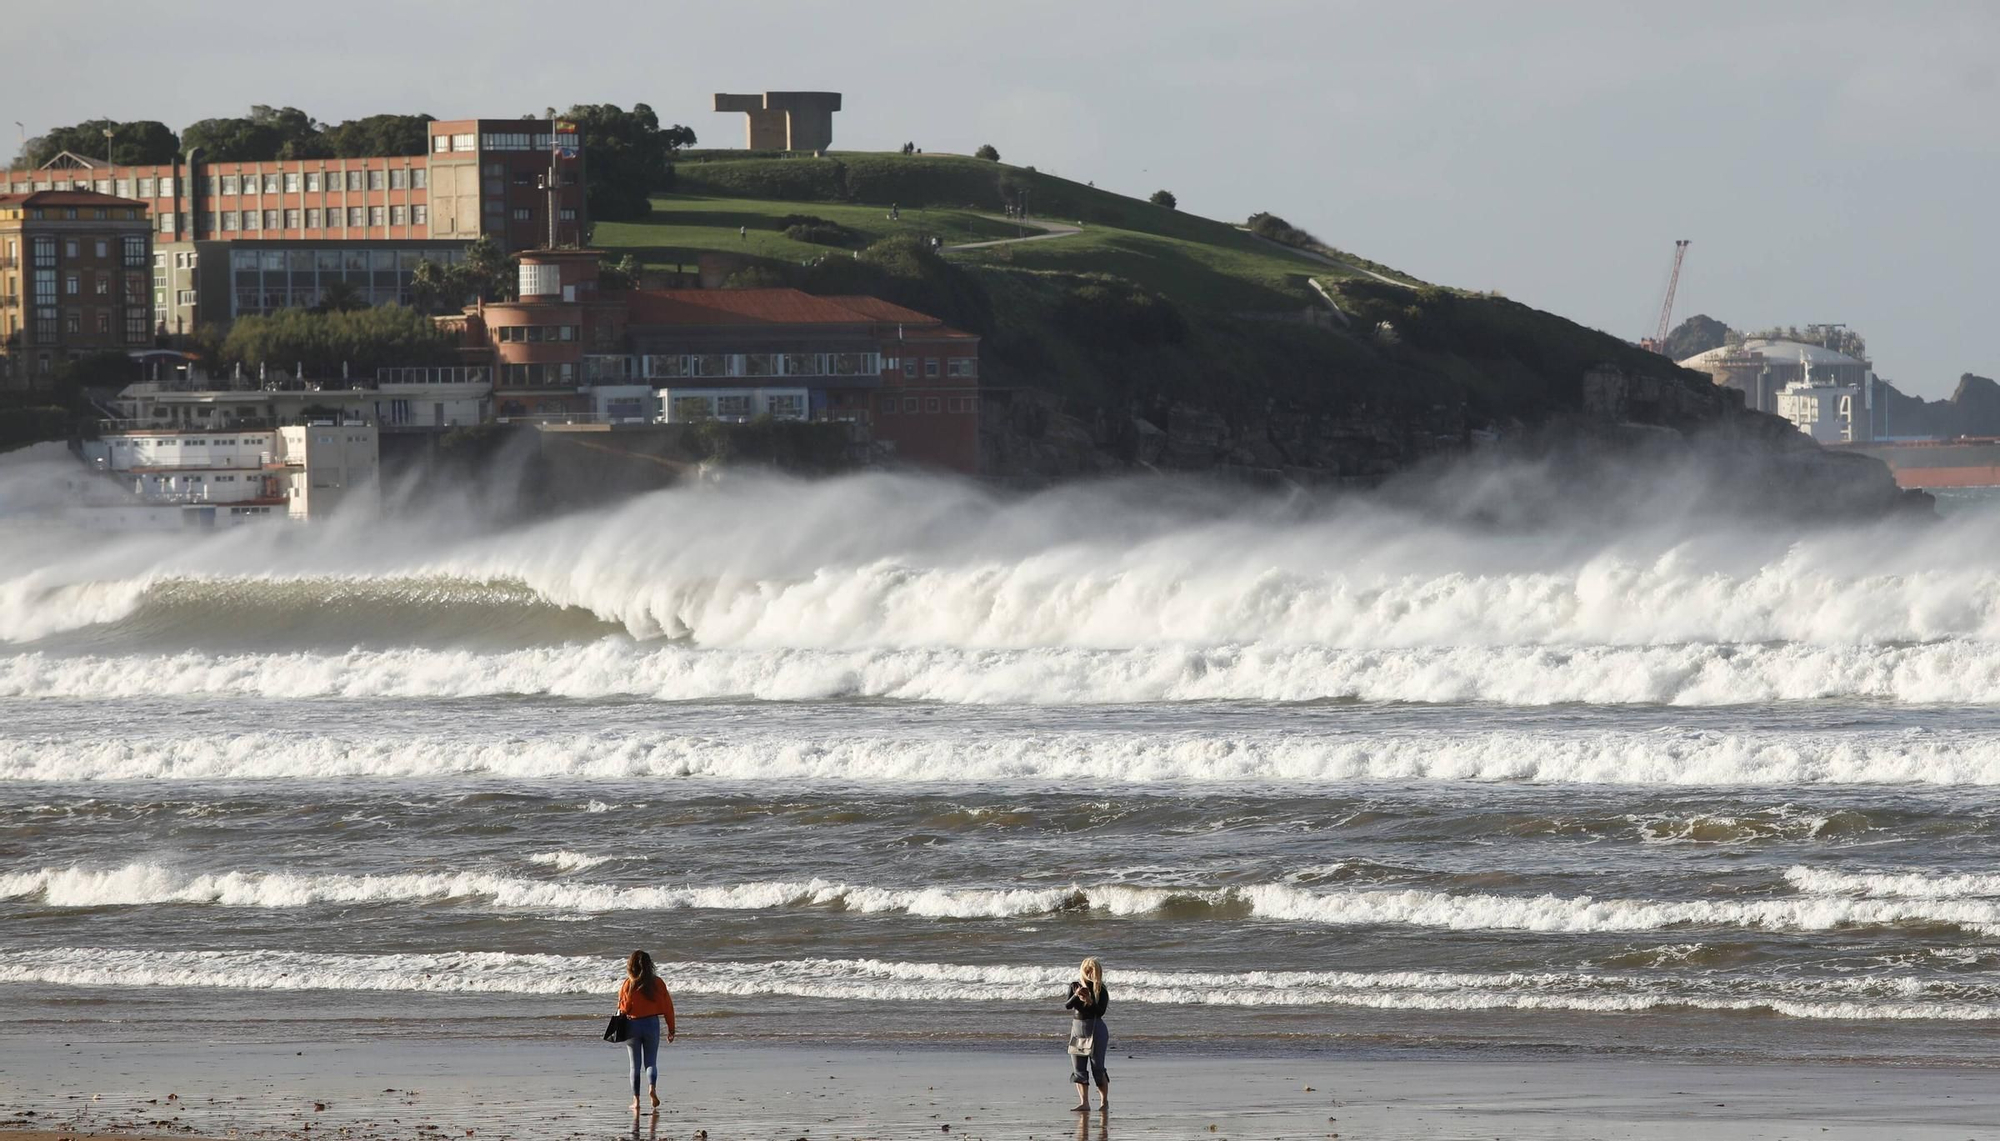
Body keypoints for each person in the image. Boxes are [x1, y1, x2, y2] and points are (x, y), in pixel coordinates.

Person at [617, 950, 677, 1113]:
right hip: (651, 1024)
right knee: (651, 1062)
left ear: (631, 966)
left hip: (632, 1025)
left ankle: (636, 1101)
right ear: (649, 965)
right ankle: (652, 1088)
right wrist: (671, 1028)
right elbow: (668, 1007)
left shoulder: (628, 984)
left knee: (634, 1066)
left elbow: (623, 1008)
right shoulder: (658, 983)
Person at [1063, 957, 1109, 1113]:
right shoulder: (1075, 985)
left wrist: (1090, 1000)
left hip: (1096, 1030)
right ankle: (1084, 1102)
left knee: (1098, 1067)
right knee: (1079, 1069)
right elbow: (1068, 1005)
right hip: (1078, 1029)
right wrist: (1077, 995)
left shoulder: (1100, 989)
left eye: (1093, 971)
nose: (1090, 974)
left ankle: (1104, 1102)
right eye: (1088, 971)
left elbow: (1101, 1012)